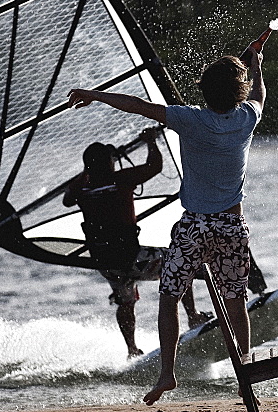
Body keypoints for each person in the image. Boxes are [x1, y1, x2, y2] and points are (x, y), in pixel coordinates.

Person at [68, 48, 265, 405]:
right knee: (235, 298)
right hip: (232, 226)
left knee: (169, 296)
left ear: (203, 90)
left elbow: (134, 104)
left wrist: (94, 94)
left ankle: (167, 374)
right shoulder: (247, 119)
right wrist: (257, 66)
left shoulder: (187, 118)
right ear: (240, 91)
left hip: (194, 227)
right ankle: (245, 370)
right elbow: (259, 94)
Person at [63, 129, 211, 358]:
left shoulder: (82, 190)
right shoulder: (120, 180)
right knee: (181, 263)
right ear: (108, 164)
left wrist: (89, 170)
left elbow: (66, 200)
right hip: (131, 258)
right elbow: (154, 166)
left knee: (126, 302)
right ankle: (193, 316)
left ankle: (132, 349)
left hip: (106, 263)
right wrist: (150, 141)